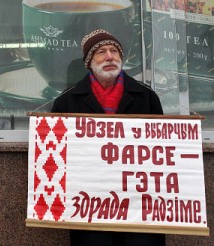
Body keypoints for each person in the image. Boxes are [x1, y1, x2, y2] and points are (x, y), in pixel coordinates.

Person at [51, 29, 165, 246]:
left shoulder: (147, 96)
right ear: (89, 62)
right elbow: (58, 154)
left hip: (139, 205)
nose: (110, 57)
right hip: (89, 206)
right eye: (101, 52)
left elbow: (162, 149)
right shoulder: (66, 102)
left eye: (114, 51)